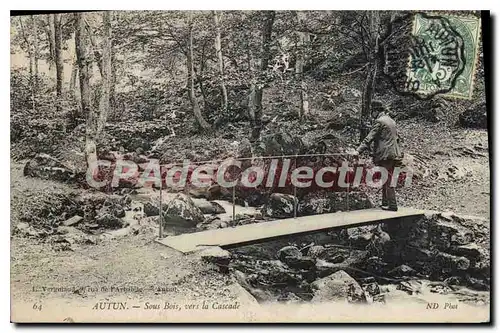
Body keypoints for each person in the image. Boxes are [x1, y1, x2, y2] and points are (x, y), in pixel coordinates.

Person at [356, 101, 403, 211]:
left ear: (376, 111)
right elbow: (397, 138)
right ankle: (385, 202)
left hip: (385, 154)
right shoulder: (391, 120)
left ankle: (392, 205)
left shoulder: (379, 121)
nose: (372, 114)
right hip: (394, 154)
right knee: (387, 178)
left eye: (372, 112)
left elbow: (369, 138)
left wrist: (358, 151)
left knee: (387, 179)